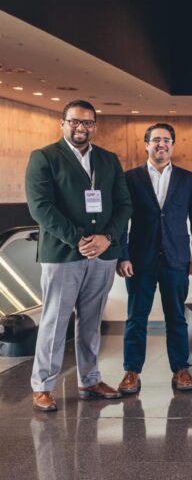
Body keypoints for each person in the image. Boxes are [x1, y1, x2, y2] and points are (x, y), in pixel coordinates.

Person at [25, 99, 132, 411]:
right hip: (62, 254)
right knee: (55, 321)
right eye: (74, 121)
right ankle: (43, 385)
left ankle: (90, 378)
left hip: (103, 254)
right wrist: (80, 240)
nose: (81, 127)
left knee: (91, 321)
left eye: (87, 122)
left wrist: (107, 238)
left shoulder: (108, 159)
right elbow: (41, 207)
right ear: (63, 123)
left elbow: (124, 204)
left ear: (94, 127)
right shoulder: (45, 157)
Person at [116, 123, 192, 394]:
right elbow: (121, 221)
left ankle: (181, 370)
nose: (161, 144)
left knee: (177, 317)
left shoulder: (187, 178)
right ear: (146, 145)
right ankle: (131, 371)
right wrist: (122, 256)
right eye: (156, 140)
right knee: (136, 318)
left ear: (172, 145)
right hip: (140, 260)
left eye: (166, 140)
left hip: (176, 259)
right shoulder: (130, 178)